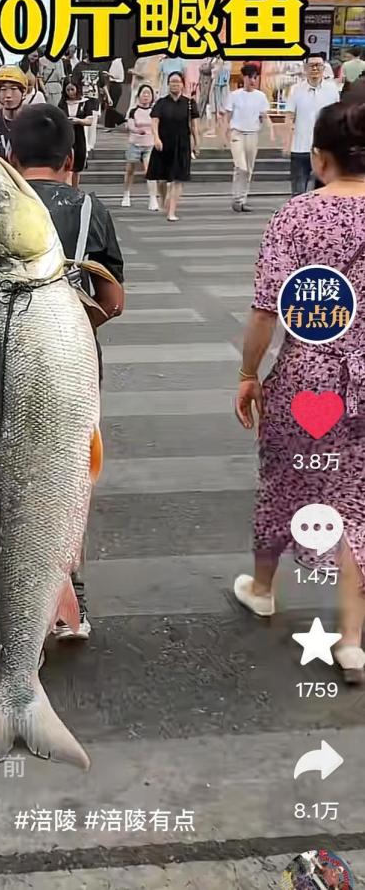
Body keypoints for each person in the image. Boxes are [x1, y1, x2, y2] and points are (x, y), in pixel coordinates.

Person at [0, 104, 125, 641]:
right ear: (71, 158)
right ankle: (71, 606)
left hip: (1, 376)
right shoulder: (89, 210)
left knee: (8, 499)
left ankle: (18, 617)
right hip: (70, 380)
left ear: (12, 154)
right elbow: (113, 300)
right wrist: (68, 332)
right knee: (66, 486)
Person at [234, 99, 365, 685]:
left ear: (318, 158)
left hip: (306, 376)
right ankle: (352, 642)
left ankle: (263, 588)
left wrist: (248, 373)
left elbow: (267, 308)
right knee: (357, 500)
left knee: (284, 480)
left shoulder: (297, 216)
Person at [146, 70, 199, 222]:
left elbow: (194, 125)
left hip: (182, 144)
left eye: (177, 82)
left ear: (183, 84)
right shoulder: (161, 103)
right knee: (162, 179)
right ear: (168, 84)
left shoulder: (189, 103)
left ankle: (172, 211)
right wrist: (156, 138)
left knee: (178, 179)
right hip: (163, 144)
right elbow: (154, 121)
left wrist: (197, 142)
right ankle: (165, 201)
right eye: (172, 82)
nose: (175, 85)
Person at [284, 54, 340, 196]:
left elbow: (336, 117)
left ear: (324, 68)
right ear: (305, 68)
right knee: (298, 190)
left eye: (318, 65)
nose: (315, 69)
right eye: (311, 65)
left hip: (324, 149)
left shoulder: (332, 89)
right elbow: (289, 116)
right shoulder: (296, 89)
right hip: (300, 147)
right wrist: (287, 142)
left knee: (323, 192)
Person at [224, 63, 273, 213]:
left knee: (249, 169)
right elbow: (227, 116)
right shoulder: (234, 95)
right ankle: (237, 198)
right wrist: (225, 134)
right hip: (237, 133)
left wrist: (271, 130)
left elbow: (264, 115)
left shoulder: (260, 96)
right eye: (250, 77)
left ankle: (241, 200)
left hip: (252, 134)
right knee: (241, 167)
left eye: (255, 78)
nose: (252, 80)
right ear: (244, 78)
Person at [122, 84, 159, 210]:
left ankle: (153, 198)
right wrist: (137, 130)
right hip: (135, 144)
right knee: (130, 170)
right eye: (144, 93)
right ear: (139, 96)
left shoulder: (154, 111)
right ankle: (126, 194)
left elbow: (157, 125)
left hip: (149, 145)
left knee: (150, 171)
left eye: (148, 93)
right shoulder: (133, 111)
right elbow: (130, 125)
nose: (146, 96)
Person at [71, 52, 111, 153]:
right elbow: (74, 83)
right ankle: (84, 145)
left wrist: (108, 97)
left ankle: (91, 145)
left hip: (95, 99)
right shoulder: (79, 66)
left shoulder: (98, 66)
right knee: (84, 123)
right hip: (82, 100)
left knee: (93, 123)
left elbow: (102, 84)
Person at [58, 79, 93, 188]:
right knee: (66, 164)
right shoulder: (62, 103)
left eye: (72, 89)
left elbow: (89, 121)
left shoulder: (85, 103)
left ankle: (75, 188)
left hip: (79, 134)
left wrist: (78, 121)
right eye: (68, 90)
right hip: (66, 135)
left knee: (77, 165)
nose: (70, 92)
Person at [103, 56, 126, 128]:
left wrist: (108, 74)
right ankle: (110, 124)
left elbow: (117, 76)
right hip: (113, 85)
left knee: (111, 105)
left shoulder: (117, 62)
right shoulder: (115, 62)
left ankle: (120, 118)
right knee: (110, 105)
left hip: (116, 85)